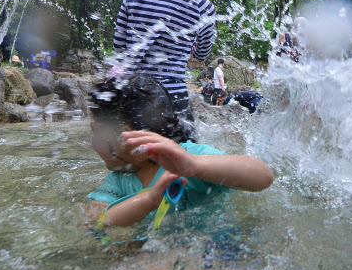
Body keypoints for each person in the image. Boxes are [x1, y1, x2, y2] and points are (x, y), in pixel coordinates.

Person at [86, 74, 273, 229]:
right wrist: (148, 200)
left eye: (97, 132)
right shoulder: (120, 179)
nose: (91, 141)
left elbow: (263, 176)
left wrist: (195, 165)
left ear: (127, 137)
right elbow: (96, 219)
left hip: (218, 245)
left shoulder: (188, 157)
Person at [113, 0, 219, 124]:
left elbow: (119, 50)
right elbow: (201, 54)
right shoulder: (203, 7)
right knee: (183, 152)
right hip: (174, 99)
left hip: (132, 96)